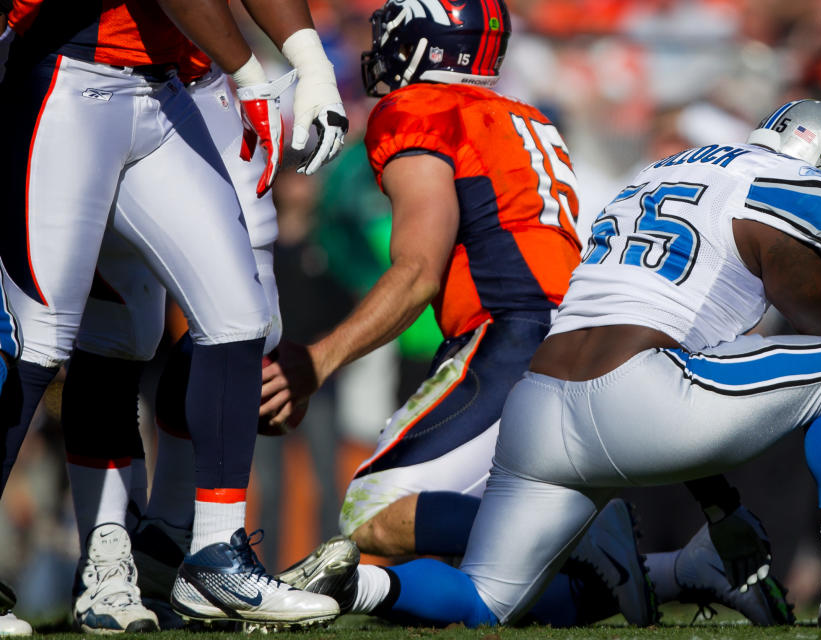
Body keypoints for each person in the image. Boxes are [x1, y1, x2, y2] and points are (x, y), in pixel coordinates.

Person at [283, 93, 821, 628]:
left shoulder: (663, 171)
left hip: (539, 403)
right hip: (644, 389)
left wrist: (720, 508)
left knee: (486, 600)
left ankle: (357, 582)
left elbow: (680, 341)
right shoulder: (788, 183)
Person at [263, 0, 792, 627]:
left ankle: (592, 537)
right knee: (518, 590)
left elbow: (415, 271)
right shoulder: (524, 116)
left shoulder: (420, 111)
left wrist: (315, 361)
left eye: (392, 33)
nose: (379, 46)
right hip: (572, 335)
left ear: (427, 44)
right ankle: (678, 571)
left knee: (371, 508)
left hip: (511, 335)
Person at [0, 0, 343, 630]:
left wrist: (311, 63)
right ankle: (116, 550)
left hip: (165, 91)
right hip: (67, 79)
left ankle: (211, 555)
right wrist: (257, 73)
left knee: (240, 316)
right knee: (37, 340)